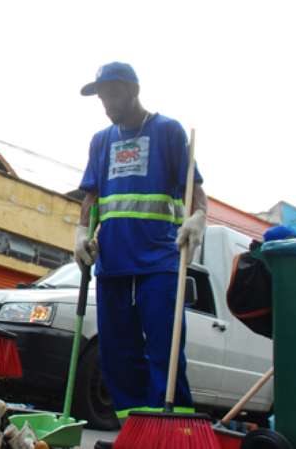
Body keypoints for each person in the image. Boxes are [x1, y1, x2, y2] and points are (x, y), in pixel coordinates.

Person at [73, 62, 207, 447]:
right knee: (116, 353)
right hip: (113, 260)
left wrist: (197, 217)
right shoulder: (101, 140)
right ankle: (137, 434)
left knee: (165, 347)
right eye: (100, 96)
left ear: (132, 89)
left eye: (111, 94)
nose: (105, 103)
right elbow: (91, 195)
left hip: (160, 259)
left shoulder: (167, 130)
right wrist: (83, 231)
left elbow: (194, 188)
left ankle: (174, 434)